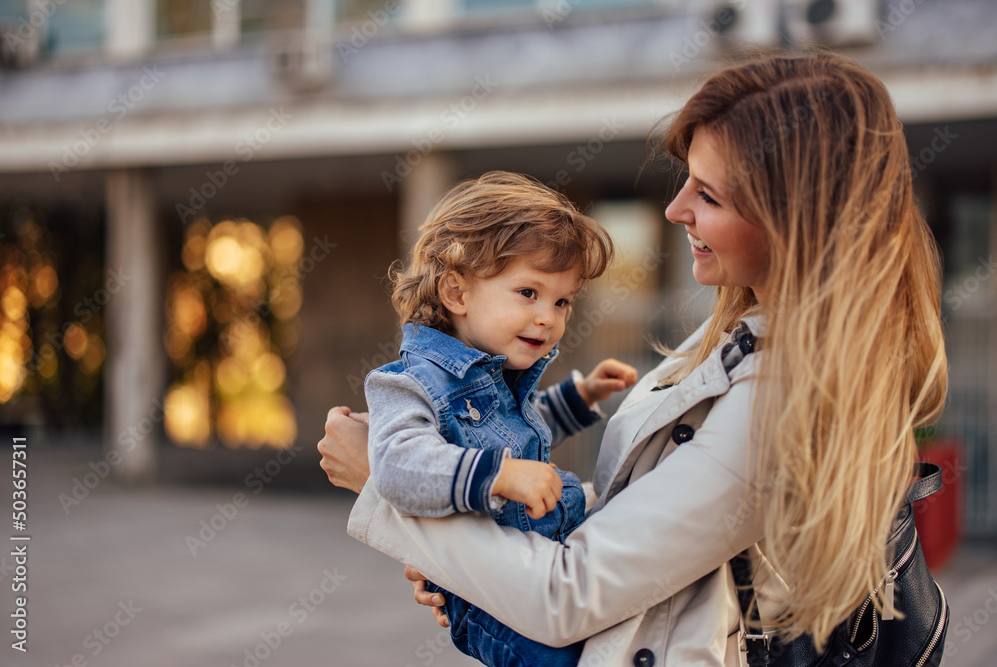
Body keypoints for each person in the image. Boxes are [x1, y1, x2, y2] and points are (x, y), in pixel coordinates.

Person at [320, 51, 948, 666]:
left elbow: (566, 595)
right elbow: (646, 514)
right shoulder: (746, 335)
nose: (676, 209)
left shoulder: (786, 396)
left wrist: (384, 488)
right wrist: (478, 561)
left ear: (795, 218)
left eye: (710, 195)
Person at [363, 171, 639, 666]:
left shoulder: (500, 373)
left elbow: (517, 435)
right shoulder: (407, 383)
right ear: (456, 292)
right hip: (490, 600)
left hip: (540, 574)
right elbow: (396, 466)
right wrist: (500, 476)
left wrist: (582, 395)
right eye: (528, 293)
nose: (548, 318)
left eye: (562, 302)